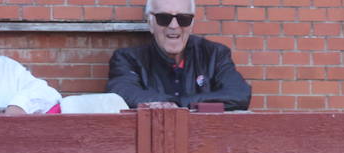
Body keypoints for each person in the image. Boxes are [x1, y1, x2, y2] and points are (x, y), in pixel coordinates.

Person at [106, 0, 251, 111]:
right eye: (164, 18)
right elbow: (121, 93)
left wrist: (177, 104)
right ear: (150, 23)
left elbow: (239, 95)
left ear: (192, 23)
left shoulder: (214, 55)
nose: (174, 26)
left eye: (183, 18)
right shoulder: (128, 59)